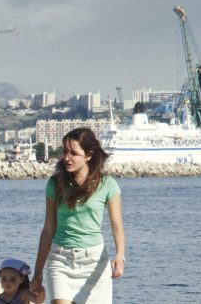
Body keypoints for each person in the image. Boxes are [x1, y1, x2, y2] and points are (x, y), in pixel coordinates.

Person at [31, 127, 126, 303]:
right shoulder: (55, 184)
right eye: (65, 152)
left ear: (88, 155)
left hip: (94, 262)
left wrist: (120, 255)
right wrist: (38, 272)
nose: (67, 158)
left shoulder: (108, 185)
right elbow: (48, 229)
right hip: (61, 261)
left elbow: (117, 226)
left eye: (73, 153)